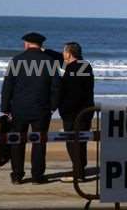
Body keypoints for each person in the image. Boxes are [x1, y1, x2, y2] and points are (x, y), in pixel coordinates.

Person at [1, 32, 60, 185]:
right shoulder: (50, 61)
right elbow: (56, 87)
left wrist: (5, 107)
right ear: (41, 45)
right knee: (39, 143)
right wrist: (53, 107)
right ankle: (37, 176)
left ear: (27, 44)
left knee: (17, 142)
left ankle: (17, 175)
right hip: (41, 109)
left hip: (19, 108)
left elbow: (8, 86)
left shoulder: (17, 60)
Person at [44, 42, 94, 182]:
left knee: (73, 142)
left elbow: (71, 92)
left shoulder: (74, 69)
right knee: (80, 142)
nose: (63, 54)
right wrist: (44, 50)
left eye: (64, 52)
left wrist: (59, 107)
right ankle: (79, 171)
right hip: (85, 111)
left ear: (69, 53)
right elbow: (60, 58)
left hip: (74, 113)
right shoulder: (83, 65)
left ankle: (78, 174)